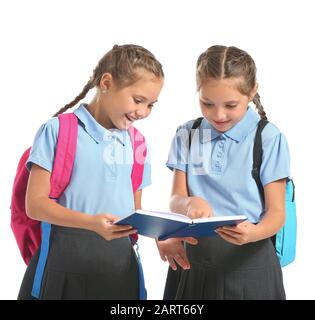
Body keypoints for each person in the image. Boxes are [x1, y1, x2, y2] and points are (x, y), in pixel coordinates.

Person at [18, 44, 164, 300]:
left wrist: (163, 236)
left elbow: (135, 214)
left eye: (151, 104)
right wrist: (92, 223)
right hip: (62, 268)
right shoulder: (57, 130)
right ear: (107, 82)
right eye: (138, 100)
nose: (143, 112)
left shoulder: (138, 143)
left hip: (119, 272)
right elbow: (35, 205)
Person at [157, 45, 290, 300]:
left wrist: (253, 232)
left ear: (252, 92)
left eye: (231, 105)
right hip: (193, 263)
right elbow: (175, 199)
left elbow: (276, 213)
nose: (218, 114)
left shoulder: (268, 138)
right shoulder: (188, 134)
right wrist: (189, 202)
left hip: (251, 263)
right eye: (207, 103)